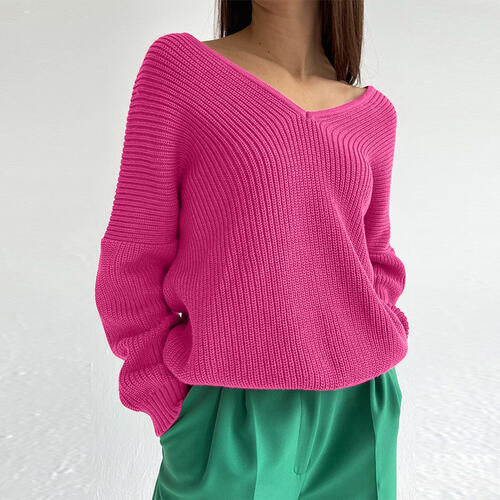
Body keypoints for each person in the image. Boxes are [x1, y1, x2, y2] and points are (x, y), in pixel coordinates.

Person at [94, 1, 410, 498]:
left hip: (361, 405)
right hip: (228, 412)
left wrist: (381, 331)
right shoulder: (180, 71)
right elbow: (132, 257)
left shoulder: (375, 115)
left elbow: (375, 257)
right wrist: (170, 406)